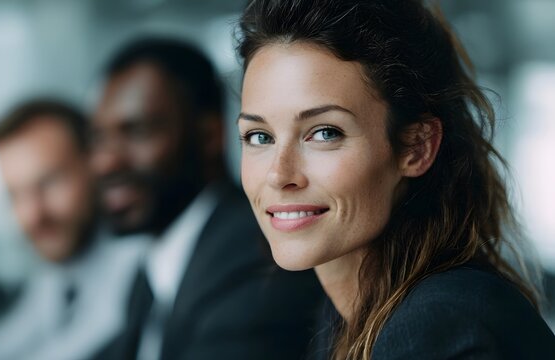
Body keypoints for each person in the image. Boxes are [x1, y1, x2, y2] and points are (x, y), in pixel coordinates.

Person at [236, 1, 555, 359]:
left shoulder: (434, 325)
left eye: (325, 133)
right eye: (259, 136)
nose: (279, 175)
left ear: (416, 148)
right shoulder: (350, 319)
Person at [90, 38, 324, 360]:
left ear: (210, 137)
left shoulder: (258, 260)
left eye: (137, 132)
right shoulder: (152, 273)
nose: (105, 162)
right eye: (99, 138)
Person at [0, 99, 146, 360]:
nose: (33, 215)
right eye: (15, 195)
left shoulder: (139, 258)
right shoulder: (59, 271)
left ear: (96, 164)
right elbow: (6, 344)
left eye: (49, 183)